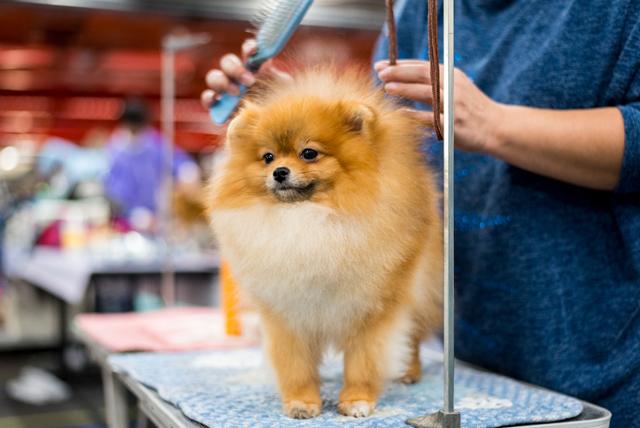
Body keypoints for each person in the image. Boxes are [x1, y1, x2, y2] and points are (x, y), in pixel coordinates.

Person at [200, 1, 640, 425]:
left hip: (599, 359)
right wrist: (285, 101)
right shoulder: (413, 8)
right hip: (465, 350)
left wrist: (493, 124)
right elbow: (371, 134)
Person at [104, 98, 200, 227]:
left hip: (158, 215)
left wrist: (187, 173)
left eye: (138, 128)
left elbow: (179, 162)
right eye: (133, 128)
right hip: (128, 220)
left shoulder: (154, 142)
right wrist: (135, 214)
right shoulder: (115, 151)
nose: (136, 131)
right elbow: (114, 191)